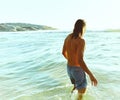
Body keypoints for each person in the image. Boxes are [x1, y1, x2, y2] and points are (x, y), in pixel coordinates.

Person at [62, 19, 98, 100]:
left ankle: (70, 97)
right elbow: (80, 60)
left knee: (75, 86)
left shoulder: (68, 37)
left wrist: (71, 60)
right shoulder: (81, 41)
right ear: (83, 28)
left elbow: (63, 52)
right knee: (81, 93)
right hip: (77, 70)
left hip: (69, 68)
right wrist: (91, 75)